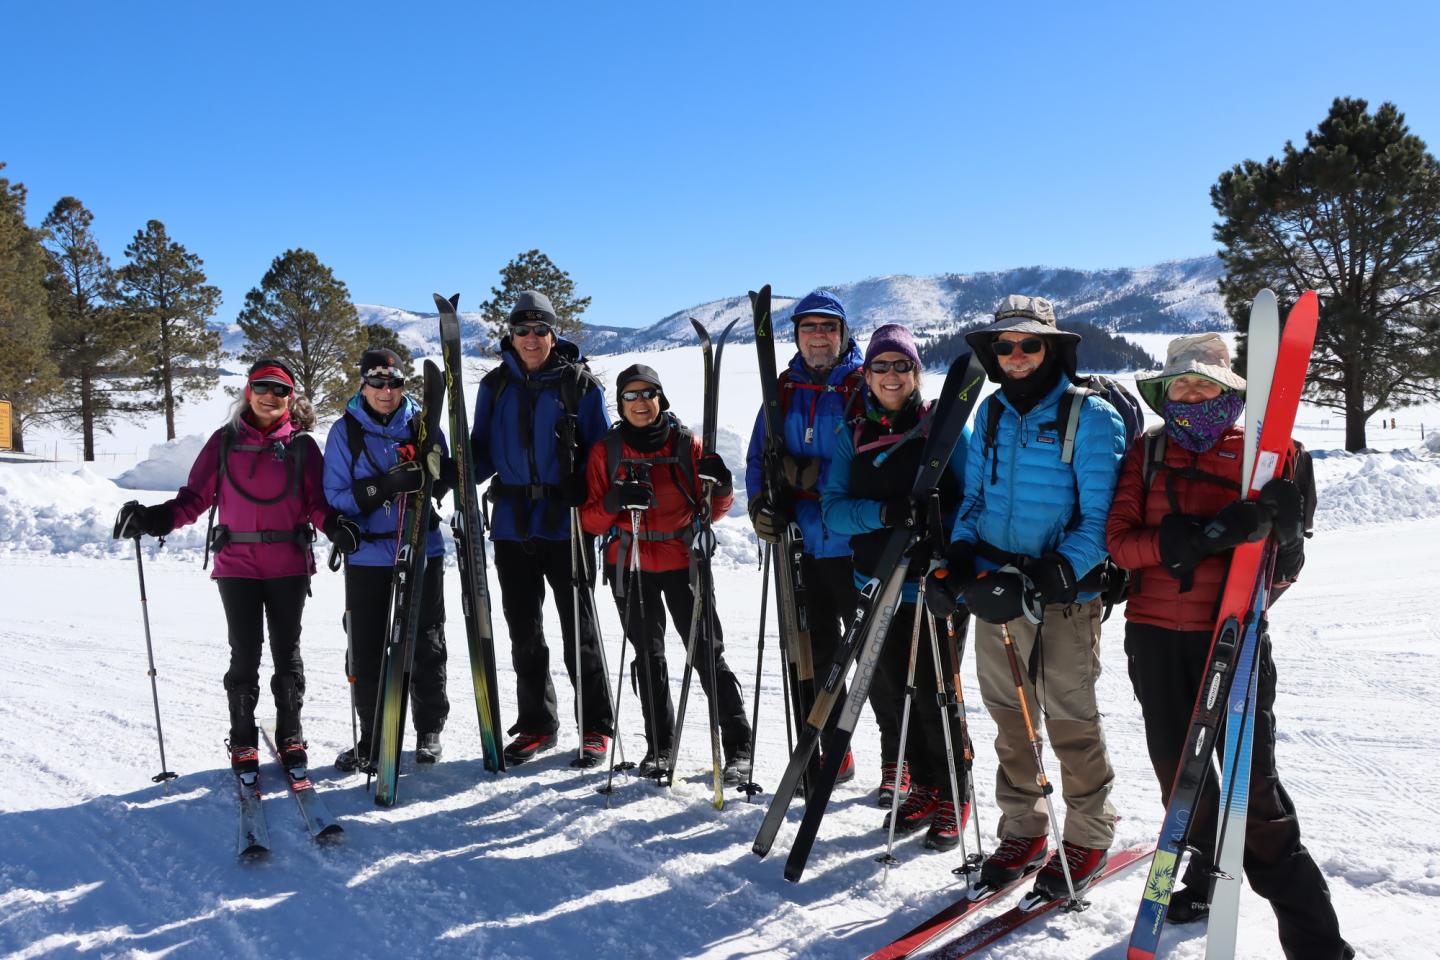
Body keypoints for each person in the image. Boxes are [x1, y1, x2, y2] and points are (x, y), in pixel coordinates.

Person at [1106, 333, 1352, 959]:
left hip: (1235, 641)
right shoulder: (1147, 451)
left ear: (1231, 390)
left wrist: (1288, 536)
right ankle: (1202, 879)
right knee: (1180, 780)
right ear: (1163, 392)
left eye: (1205, 383)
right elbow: (1119, 542)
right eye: (1179, 385)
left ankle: (1319, 944)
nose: (1192, 395)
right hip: (1155, 638)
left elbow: (1285, 573)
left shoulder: (1275, 457)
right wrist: (1182, 541)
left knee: (1255, 792)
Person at [927, 295, 1126, 897]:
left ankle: (1089, 832)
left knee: (1069, 719)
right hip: (995, 592)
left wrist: (1054, 574)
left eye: (1029, 344)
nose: (1016, 356)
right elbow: (975, 503)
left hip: (1062, 594)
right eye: (1004, 346)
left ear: (1052, 347)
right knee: (1009, 718)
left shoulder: (1088, 416)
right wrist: (961, 556)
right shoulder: (988, 414)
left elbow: (1101, 519)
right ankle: (1024, 827)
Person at [115, 358, 354, 775]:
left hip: (288, 564)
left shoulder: (302, 446)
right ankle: (242, 739)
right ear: (248, 392)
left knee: (287, 651)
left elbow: (316, 504)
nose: (269, 396)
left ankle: (290, 734)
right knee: (245, 652)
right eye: (261, 387)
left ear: (290, 398)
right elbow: (194, 498)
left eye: (280, 390)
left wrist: (335, 526)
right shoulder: (223, 442)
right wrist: (153, 519)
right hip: (237, 565)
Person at [820, 324, 972, 851]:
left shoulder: (945, 428)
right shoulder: (852, 433)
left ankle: (956, 791)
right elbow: (833, 510)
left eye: (901, 365)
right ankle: (927, 785)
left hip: (932, 584)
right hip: (876, 584)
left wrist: (941, 529)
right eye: (881, 366)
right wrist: (884, 513)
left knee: (936, 694)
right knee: (895, 694)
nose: (890, 375)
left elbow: (971, 499)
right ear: (867, 374)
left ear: (916, 373)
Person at [745, 291, 901, 798]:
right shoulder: (782, 390)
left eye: (828, 328)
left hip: (856, 544)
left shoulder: (864, 387)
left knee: (873, 660)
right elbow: (756, 461)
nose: (818, 336)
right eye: (808, 328)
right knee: (810, 655)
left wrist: (819, 476)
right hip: (801, 544)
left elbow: (880, 452)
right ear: (795, 336)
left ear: (843, 334)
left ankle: (897, 760)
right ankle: (832, 747)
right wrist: (761, 505)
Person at [580, 364, 752, 782]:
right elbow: (590, 521)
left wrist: (724, 487)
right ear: (620, 404)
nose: (641, 403)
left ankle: (738, 746)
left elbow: (710, 510)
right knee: (649, 657)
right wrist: (615, 501)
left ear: (662, 398)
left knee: (707, 653)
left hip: (683, 562)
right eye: (631, 396)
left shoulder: (686, 445)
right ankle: (659, 748)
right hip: (632, 563)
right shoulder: (607, 451)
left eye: (648, 393)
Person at [470, 291, 614, 768]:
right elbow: (483, 454)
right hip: (512, 524)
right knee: (524, 631)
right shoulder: (494, 387)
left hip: (566, 523)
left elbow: (603, 456)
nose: (531, 339)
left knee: (580, 631)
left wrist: (587, 491)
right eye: (522, 330)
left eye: (540, 330)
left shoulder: (581, 385)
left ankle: (595, 726)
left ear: (554, 334)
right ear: (510, 336)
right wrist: (452, 468)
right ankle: (537, 724)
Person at [323, 348, 451, 770]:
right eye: (376, 382)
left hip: (420, 547)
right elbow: (337, 496)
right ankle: (374, 734)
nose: (385, 390)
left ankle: (428, 731)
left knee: (426, 641)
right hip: (368, 556)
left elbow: (443, 478)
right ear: (362, 384)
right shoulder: (346, 432)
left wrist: (436, 473)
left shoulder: (421, 423)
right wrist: (386, 485)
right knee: (367, 647)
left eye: (393, 382)